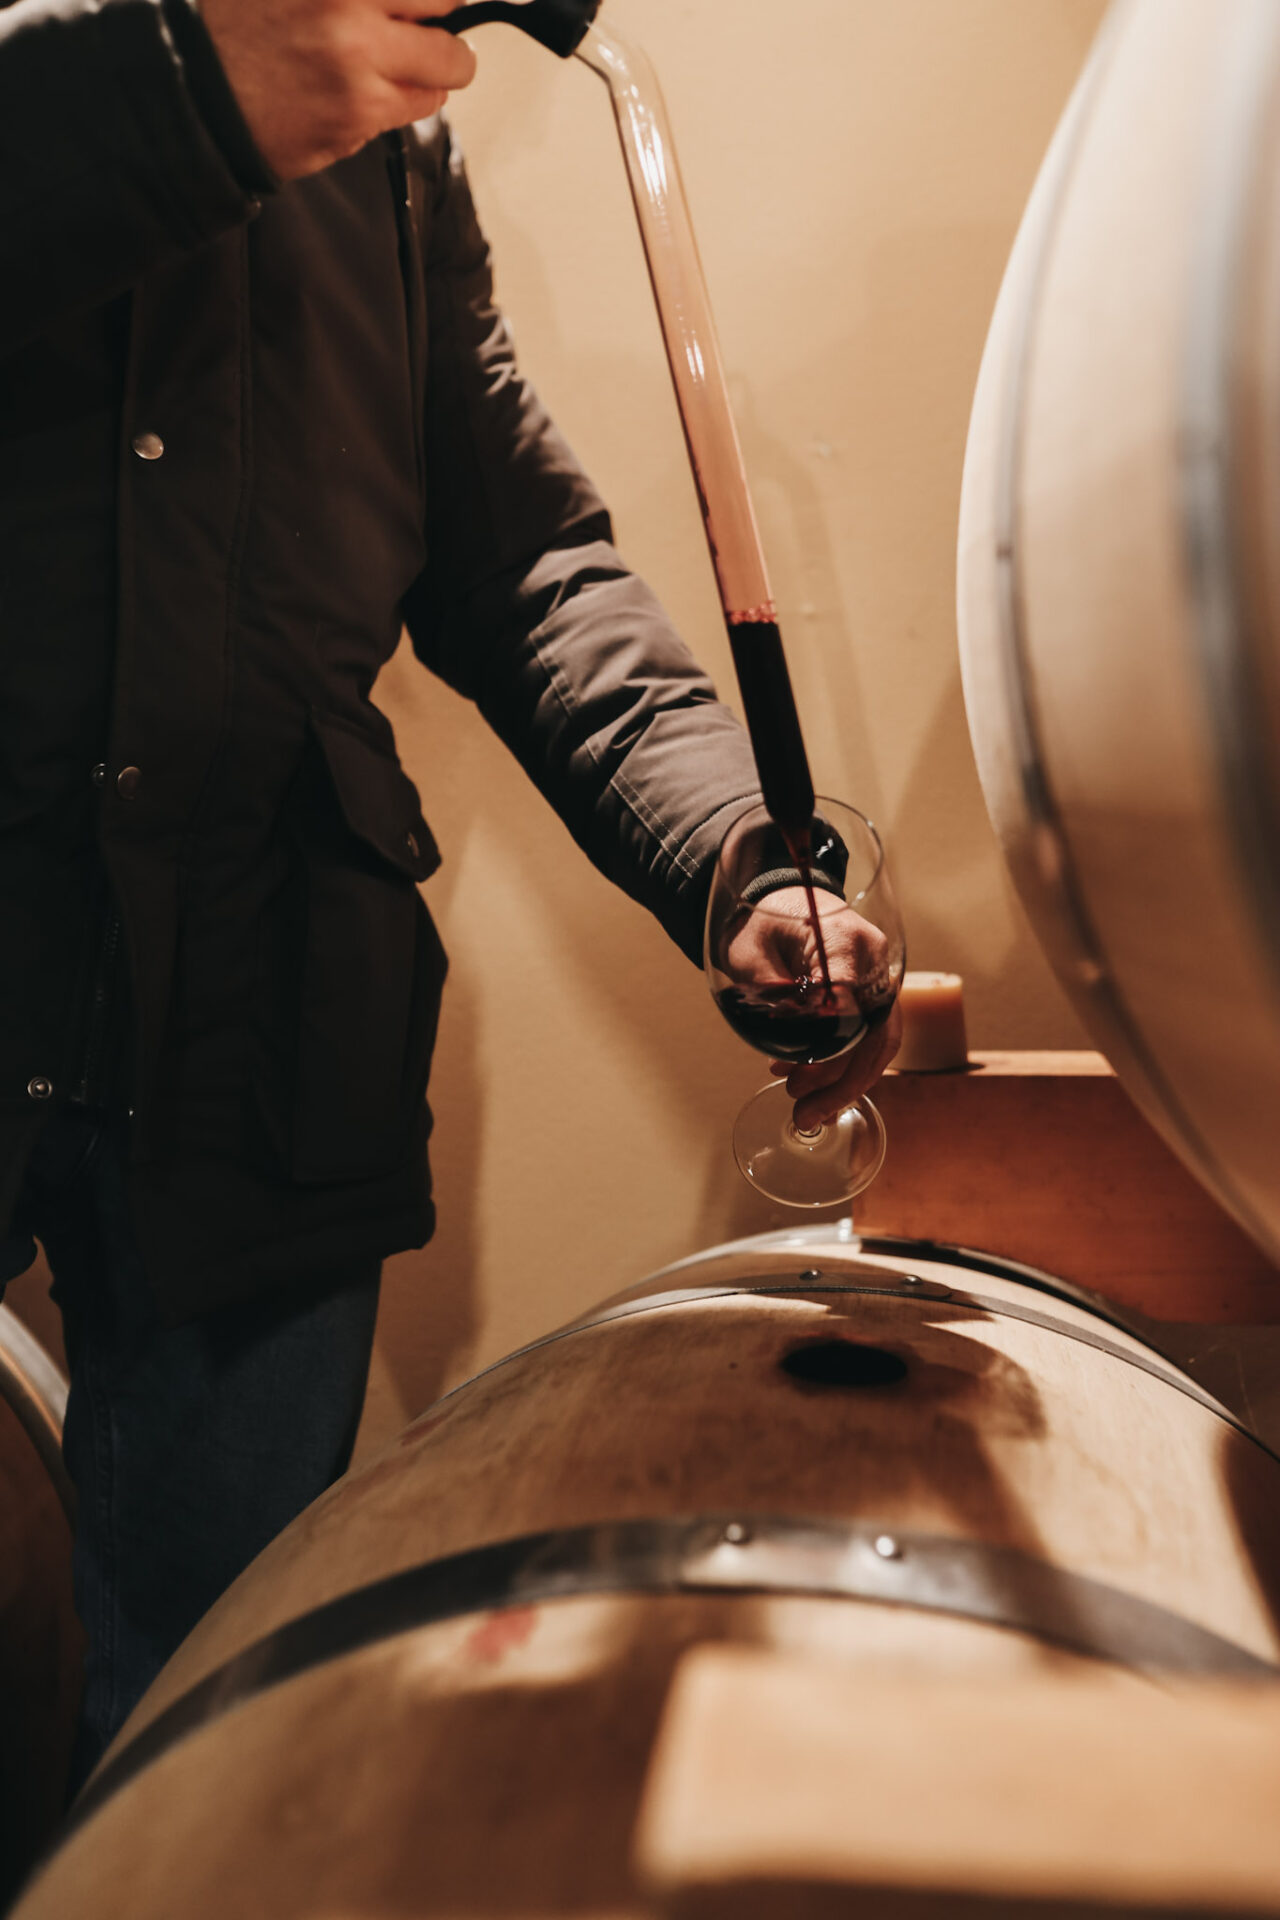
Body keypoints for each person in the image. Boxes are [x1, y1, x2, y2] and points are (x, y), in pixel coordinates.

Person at [0, 0, 899, 1786]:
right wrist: (174, 94)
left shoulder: (399, 172)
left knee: (209, 1715)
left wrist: (730, 849)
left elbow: (527, 565)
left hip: (266, 1028)